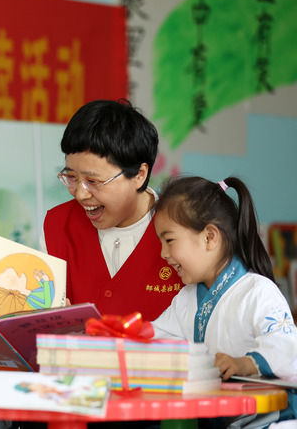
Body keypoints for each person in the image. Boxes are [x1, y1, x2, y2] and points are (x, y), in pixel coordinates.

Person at [152, 176, 296, 425]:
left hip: (272, 420)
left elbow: (288, 347)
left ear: (209, 237)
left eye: (170, 240)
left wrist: (245, 363)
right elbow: (158, 339)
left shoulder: (258, 291)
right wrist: (119, 336)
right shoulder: (186, 299)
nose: (163, 253)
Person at [43, 99, 181, 321]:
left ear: (139, 175)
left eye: (93, 181)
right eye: (71, 177)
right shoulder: (57, 225)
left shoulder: (184, 227)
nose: (80, 194)